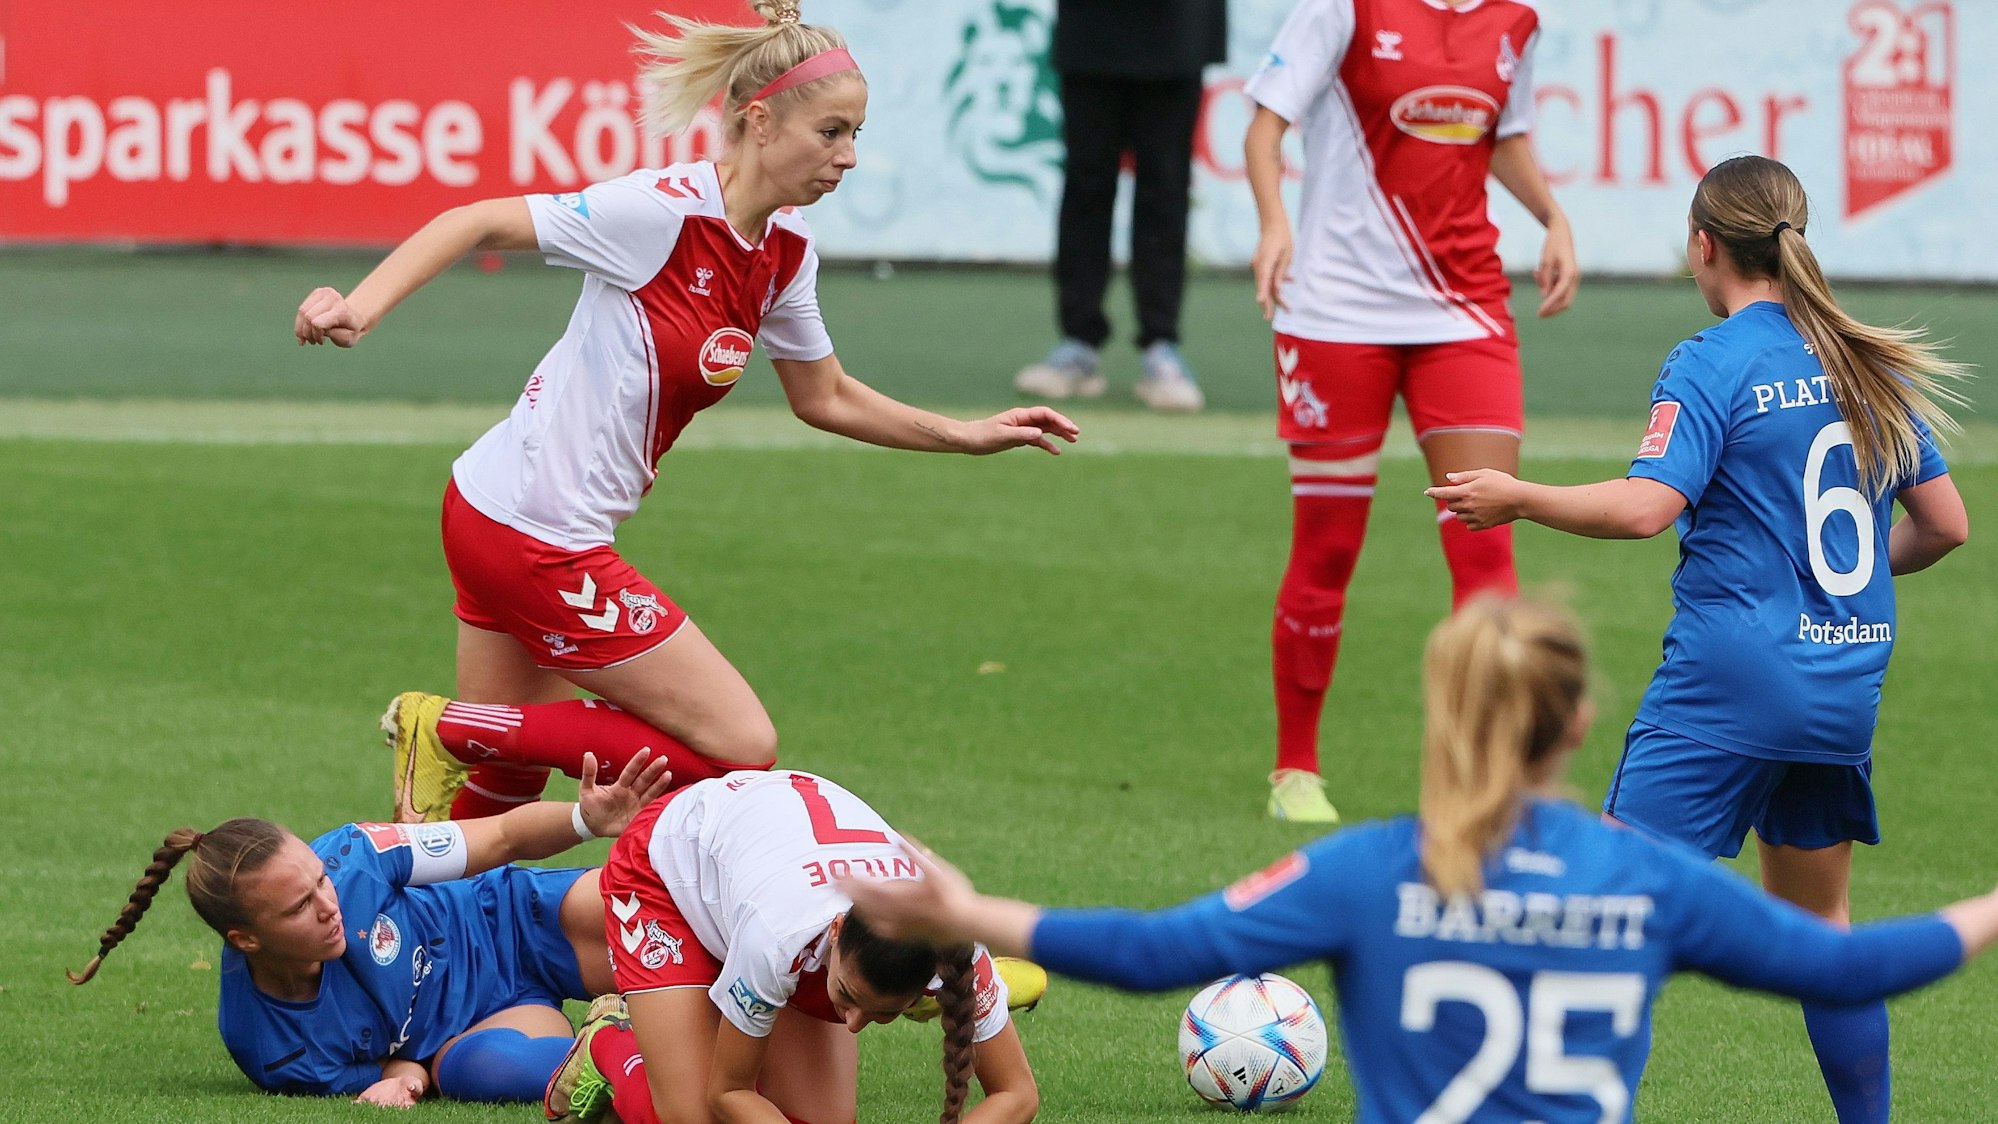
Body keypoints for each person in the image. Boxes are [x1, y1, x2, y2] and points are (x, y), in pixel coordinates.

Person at [293, 0, 1080, 824]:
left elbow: (825, 396)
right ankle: (445, 727)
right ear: (761, 120)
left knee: (506, 792)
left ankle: (415, 928)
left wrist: (968, 434)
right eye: (832, 132)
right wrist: (361, 306)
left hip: (506, 515)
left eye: (856, 135)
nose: (848, 157)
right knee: (739, 742)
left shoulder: (785, 249)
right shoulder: (661, 213)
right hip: (533, 534)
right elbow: (478, 218)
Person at [842, 596, 1998, 1123]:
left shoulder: (1374, 870)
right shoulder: (1641, 876)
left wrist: (973, 907)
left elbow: (1160, 951)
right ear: (1581, 721)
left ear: (1441, 715)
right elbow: (1855, 965)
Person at [1427, 155, 1969, 1123]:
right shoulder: (1861, 356)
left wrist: (1518, 497)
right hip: (1843, 684)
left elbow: (1646, 508)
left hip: (1731, 685)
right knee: (1822, 931)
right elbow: (1946, 524)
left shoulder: (1712, 360)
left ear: (1703, 244)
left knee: (1603, 918)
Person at [1241, 0, 1578, 823]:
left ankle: (1487, 774)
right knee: (1327, 549)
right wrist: (1274, 220)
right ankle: (1295, 769)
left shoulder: (1516, 20)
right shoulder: (1344, 8)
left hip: (1463, 311)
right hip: (1333, 312)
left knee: (1487, 551)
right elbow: (1264, 128)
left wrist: (1553, 215)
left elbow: (1501, 137)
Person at [68, 751, 673, 1107]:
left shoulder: (353, 856)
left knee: (672, 934)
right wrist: (402, 1084)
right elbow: (397, 1072)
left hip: (512, 920)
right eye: (298, 908)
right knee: (474, 1073)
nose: (328, 904)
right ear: (245, 941)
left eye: (319, 882)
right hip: (480, 1028)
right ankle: (623, 1046)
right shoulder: (272, 1047)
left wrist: (583, 818)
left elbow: (500, 838)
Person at [542, 767, 1040, 1124]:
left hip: (764, 875)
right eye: (847, 996)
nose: (852, 1024)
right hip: (666, 870)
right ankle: (610, 1042)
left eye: (883, 1014)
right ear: (839, 931)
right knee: (694, 1115)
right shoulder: (776, 937)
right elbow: (728, 1093)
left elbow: (1017, 1094)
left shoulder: (954, 943)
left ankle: (683, 1044)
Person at [1012, 0, 1227, 412]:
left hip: (1177, 31)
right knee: (1086, 185)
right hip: (1092, 31)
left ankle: (1161, 346)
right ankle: (1078, 344)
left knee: (1165, 190)